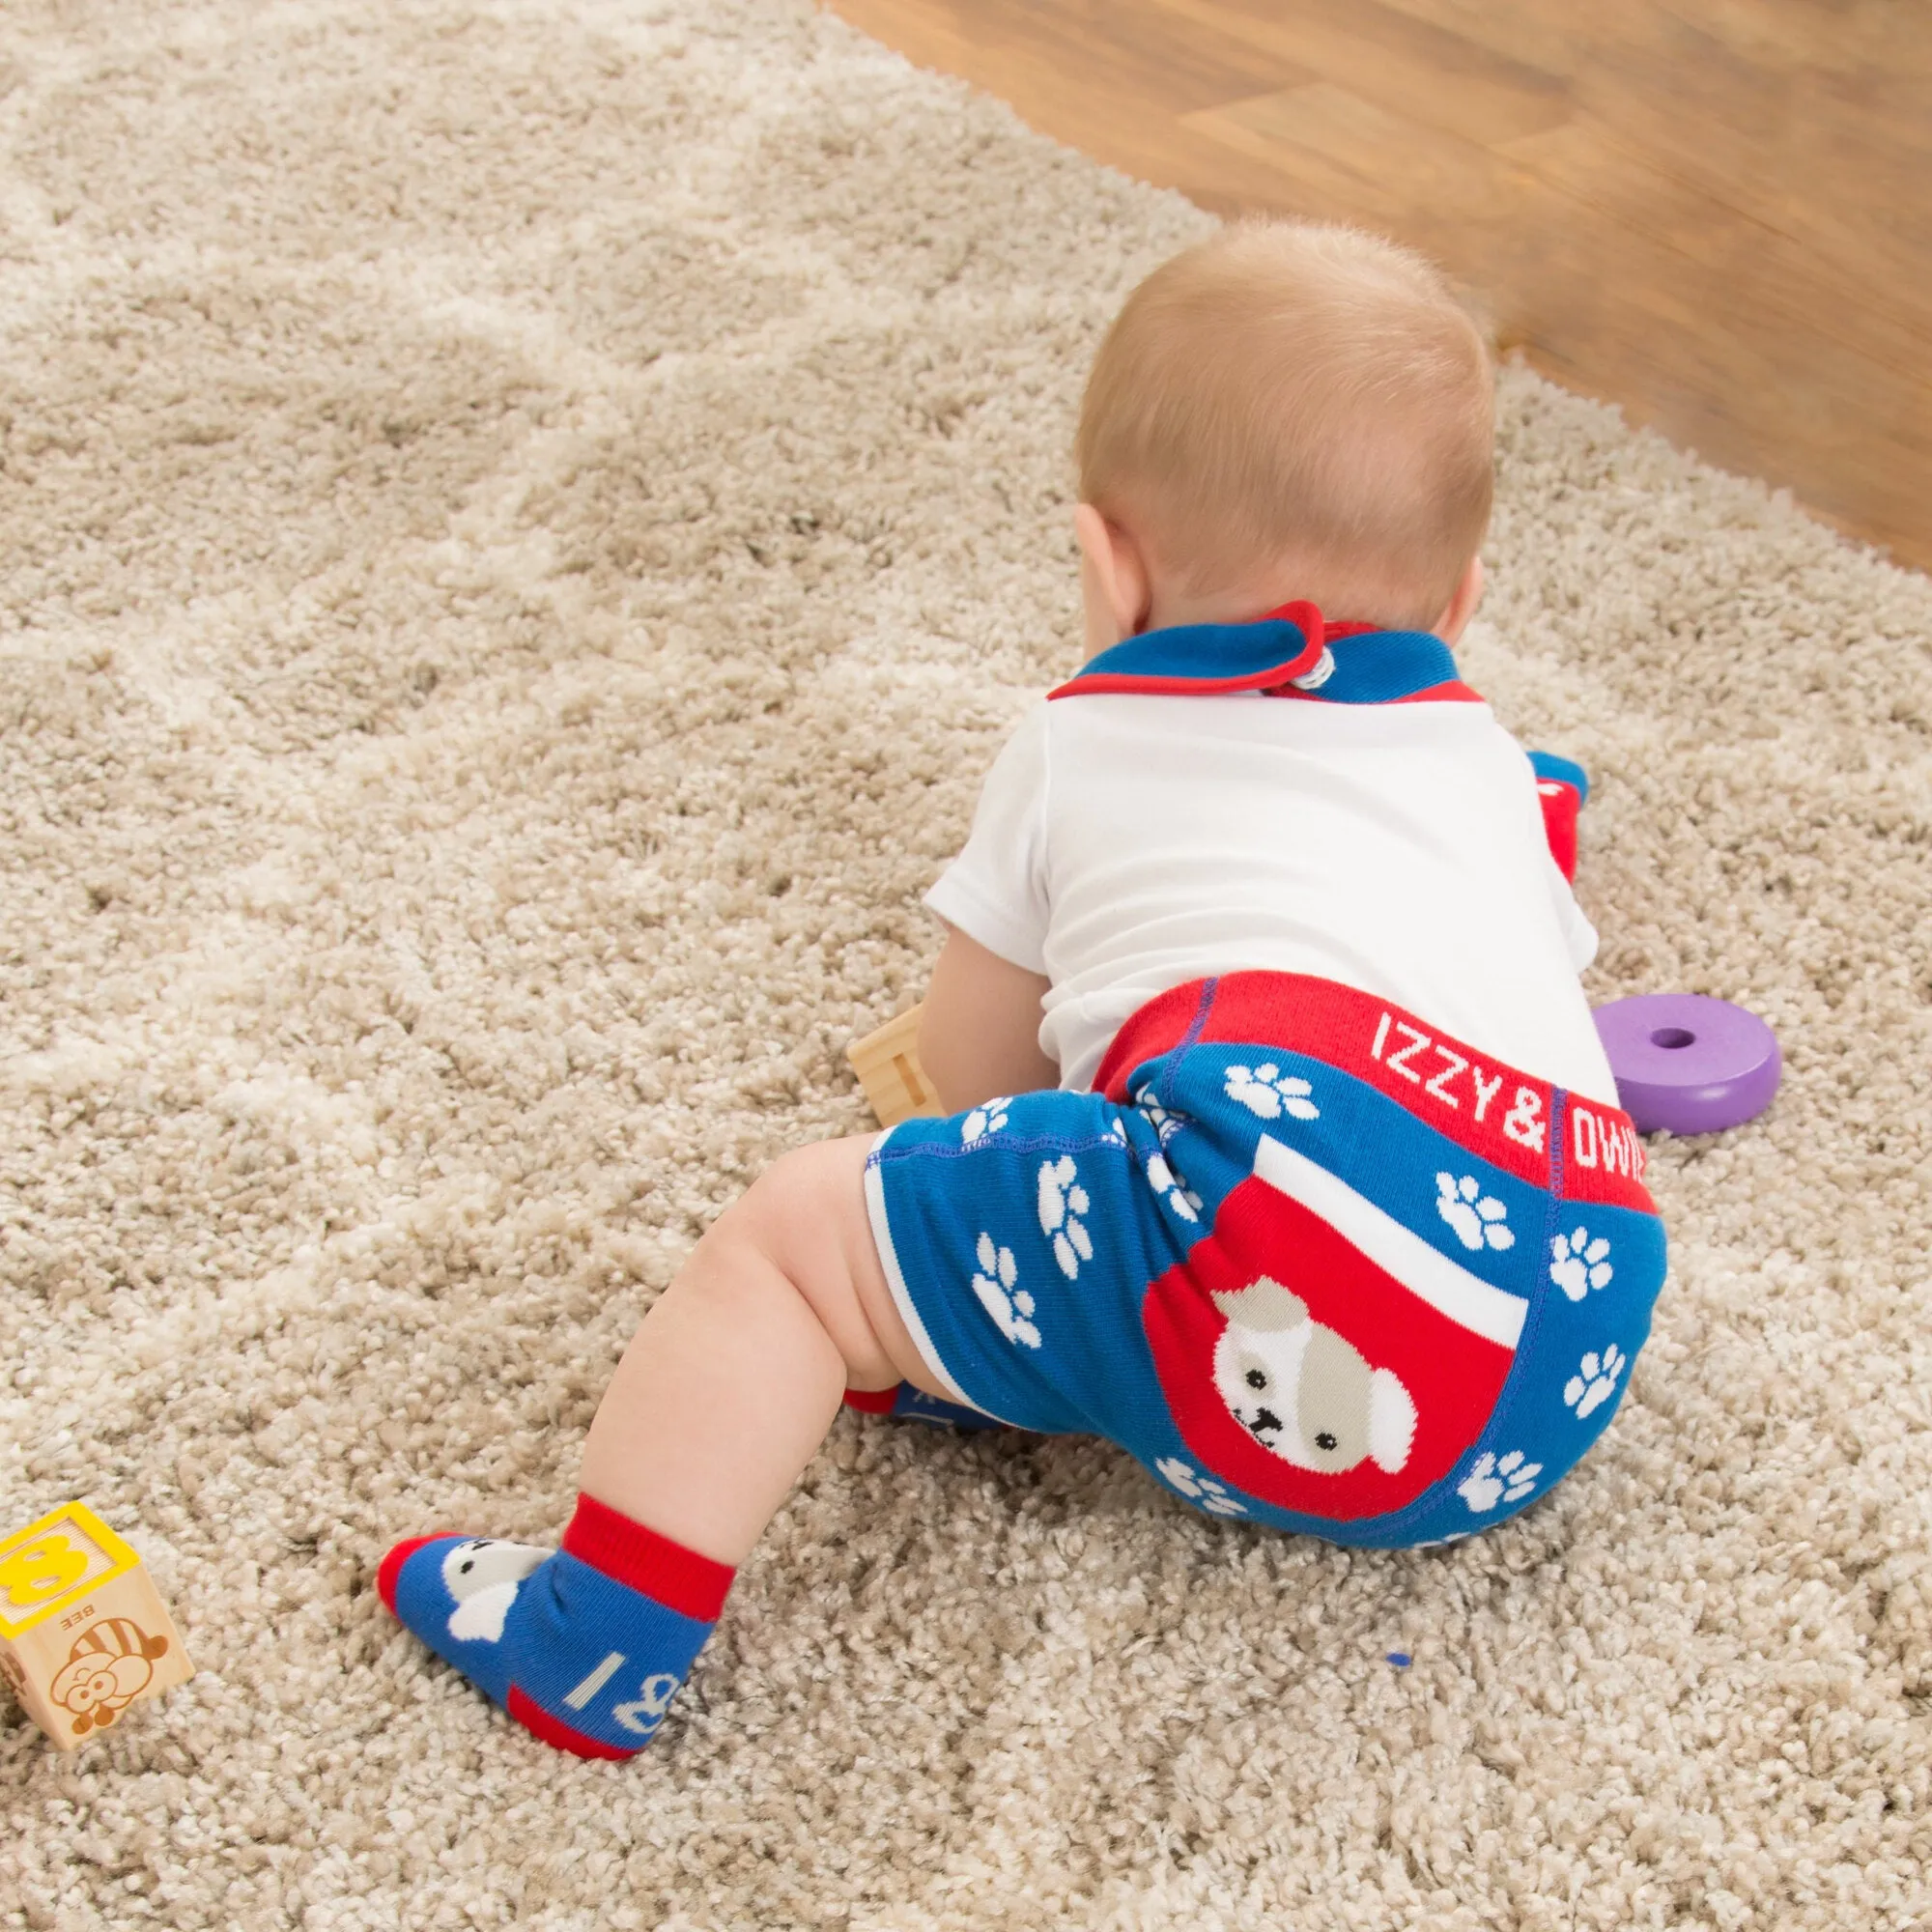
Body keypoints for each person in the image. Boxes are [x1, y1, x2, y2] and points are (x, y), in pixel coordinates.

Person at [378, 219, 1666, 1759]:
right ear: (1460, 602)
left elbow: (973, 1067)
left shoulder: (1080, 738)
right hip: (1560, 1351)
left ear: (1106, 565)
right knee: (1144, 1205)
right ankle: (1005, 1341)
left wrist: (921, 1211)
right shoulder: (1496, 775)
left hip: (1266, 1251)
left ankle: (590, 1647)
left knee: (798, 1243)